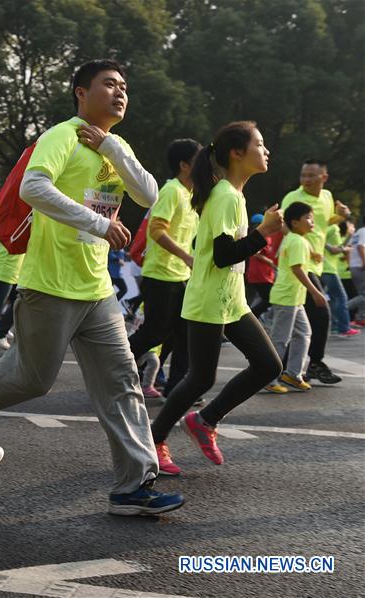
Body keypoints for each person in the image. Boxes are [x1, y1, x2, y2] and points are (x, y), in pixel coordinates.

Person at [0, 59, 184, 515]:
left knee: (122, 382)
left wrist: (113, 148)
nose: (120, 92)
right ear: (80, 93)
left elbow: (149, 194)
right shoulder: (61, 135)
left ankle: (133, 486)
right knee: (29, 380)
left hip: (97, 291)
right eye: (109, 84)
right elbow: (33, 187)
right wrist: (97, 223)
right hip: (49, 286)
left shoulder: (115, 144)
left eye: (124, 86)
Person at [150, 121, 283, 476]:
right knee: (200, 378)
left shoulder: (233, 195)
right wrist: (263, 232)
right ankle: (154, 441)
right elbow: (224, 254)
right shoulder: (224, 195)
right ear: (237, 153)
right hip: (210, 299)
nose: (266, 150)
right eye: (260, 143)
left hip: (232, 299)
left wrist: (259, 232)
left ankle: (204, 420)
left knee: (269, 366)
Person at [127, 139, 201, 396]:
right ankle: (111, 367)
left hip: (180, 275)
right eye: (199, 159)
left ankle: (177, 388)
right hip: (160, 275)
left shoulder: (191, 195)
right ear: (184, 165)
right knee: (153, 333)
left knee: (184, 335)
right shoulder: (171, 191)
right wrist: (186, 256)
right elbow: (157, 231)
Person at [280, 160, 349, 384]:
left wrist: (341, 216)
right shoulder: (293, 197)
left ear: (324, 178)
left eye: (311, 175)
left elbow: (321, 223)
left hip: (317, 266)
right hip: (301, 264)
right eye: (303, 175)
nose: (306, 179)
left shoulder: (327, 197)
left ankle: (287, 367)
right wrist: (308, 249)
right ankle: (313, 363)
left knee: (304, 321)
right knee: (321, 314)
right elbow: (286, 227)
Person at [263, 202, 327, 393]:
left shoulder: (296, 238)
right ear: (295, 222)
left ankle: (292, 374)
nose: (312, 221)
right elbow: (297, 269)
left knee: (304, 333)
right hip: (287, 298)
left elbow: (298, 256)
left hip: (294, 298)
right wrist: (315, 292)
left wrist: (313, 254)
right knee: (280, 339)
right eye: (307, 218)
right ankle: (268, 378)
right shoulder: (297, 241)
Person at [322, 221, 358, 337]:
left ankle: (335, 327)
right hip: (329, 269)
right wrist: (349, 236)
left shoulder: (328, 228)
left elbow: (336, 249)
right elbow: (335, 250)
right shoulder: (333, 228)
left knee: (334, 298)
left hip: (326, 268)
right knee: (341, 297)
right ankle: (343, 328)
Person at [245, 213, 279, 319]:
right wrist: (270, 262)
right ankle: (253, 317)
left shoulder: (264, 235)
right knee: (271, 298)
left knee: (254, 298)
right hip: (260, 275)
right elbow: (255, 253)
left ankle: (252, 317)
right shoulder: (261, 236)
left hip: (261, 274)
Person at [346, 216, 365, 320]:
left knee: (361, 294)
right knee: (364, 295)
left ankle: (362, 316)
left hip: (354, 266)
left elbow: (348, 248)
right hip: (360, 266)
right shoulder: (364, 232)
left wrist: (349, 264)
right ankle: (342, 308)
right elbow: (360, 246)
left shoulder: (357, 233)